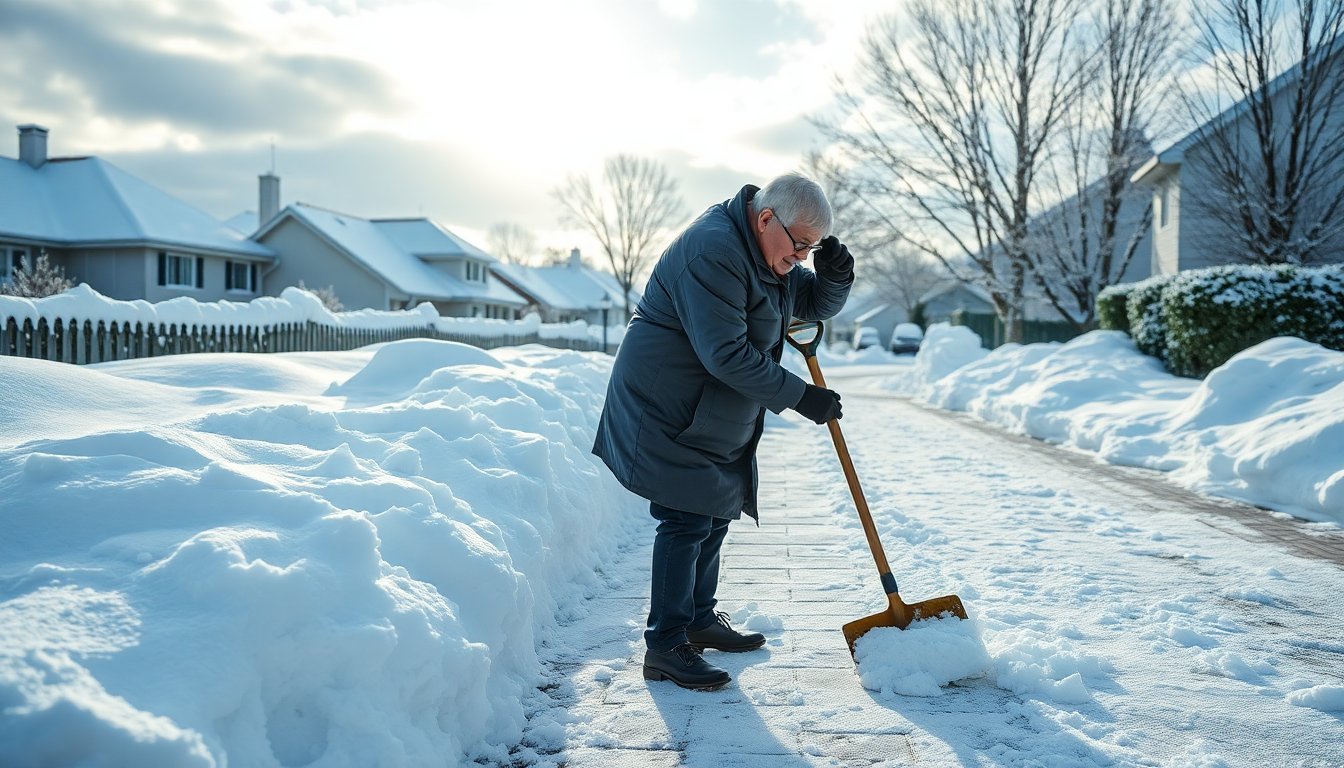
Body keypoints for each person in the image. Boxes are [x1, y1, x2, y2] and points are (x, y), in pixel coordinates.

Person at [592, 172, 854, 690]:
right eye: (799, 245)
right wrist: (801, 396)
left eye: (810, 248)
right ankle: (665, 645)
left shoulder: (764, 252)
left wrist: (834, 277)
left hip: (708, 407)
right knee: (686, 518)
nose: (800, 257)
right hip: (666, 404)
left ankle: (698, 619)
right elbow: (725, 354)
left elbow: (808, 306)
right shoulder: (713, 252)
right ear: (765, 219)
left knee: (711, 514)